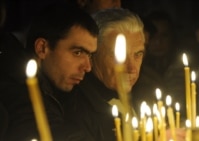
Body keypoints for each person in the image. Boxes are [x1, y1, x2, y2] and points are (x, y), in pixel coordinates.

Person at [0, 4, 99, 141]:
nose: (88, 67)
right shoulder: (16, 86)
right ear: (42, 48)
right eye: (77, 52)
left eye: (90, 56)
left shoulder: (70, 88)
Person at [65, 8, 145, 141]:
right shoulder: (77, 112)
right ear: (92, 55)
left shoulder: (143, 94)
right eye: (119, 56)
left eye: (138, 54)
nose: (132, 69)